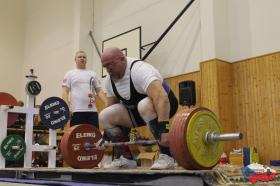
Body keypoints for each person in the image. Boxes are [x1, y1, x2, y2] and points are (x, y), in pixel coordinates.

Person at [99, 47, 178, 170]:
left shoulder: (140, 70)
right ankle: (126, 159)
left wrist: (164, 129)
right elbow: (111, 106)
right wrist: (104, 137)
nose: (109, 69)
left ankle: (167, 156)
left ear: (122, 59)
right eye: (105, 66)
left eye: (111, 64)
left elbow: (161, 97)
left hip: (166, 105)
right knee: (104, 116)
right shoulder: (110, 81)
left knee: (144, 105)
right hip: (137, 112)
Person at [62, 50, 107, 128]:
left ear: (86, 60)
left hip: (92, 112)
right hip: (76, 112)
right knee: (77, 137)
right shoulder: (70, 74)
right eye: (79, 57)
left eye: (84, 57)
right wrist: (67, 107)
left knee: (94, 137)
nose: (82, 58)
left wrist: (106, 103)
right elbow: (65, 92)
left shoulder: (93, 74)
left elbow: (99, 90)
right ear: (75, 60)